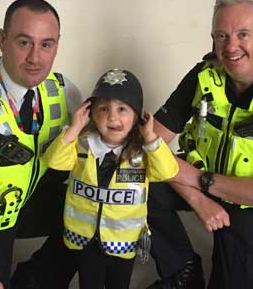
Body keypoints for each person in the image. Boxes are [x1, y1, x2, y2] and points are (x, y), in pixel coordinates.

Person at [0, 0, 81, 288]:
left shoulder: (61, 90)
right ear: (3, 40)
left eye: (46, 44)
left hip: (27, 198)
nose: (35, 58)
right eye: (24, 42)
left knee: (93, 218)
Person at [146, 0, 253, 289]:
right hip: (203, 180)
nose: (231, 46)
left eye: (243, 34)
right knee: (136, 180)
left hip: (251, 203)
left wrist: (200, 181)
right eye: (221, 36)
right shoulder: (204, 75)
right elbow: (147, 142)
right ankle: (182, 272)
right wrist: (199, 198)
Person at [43, 68, 183, 289]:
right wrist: (75, 127)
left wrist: (150, 137)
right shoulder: (81, 143)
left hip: (123, 243)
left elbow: (168, 171)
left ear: (137, 115)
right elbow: (54, 161)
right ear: (91, 113)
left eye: (122, 109)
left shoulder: (143, 151)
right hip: (84, 240)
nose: (112, 117)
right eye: (103, 108)